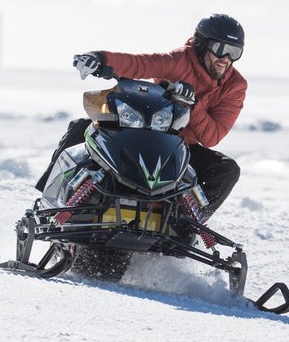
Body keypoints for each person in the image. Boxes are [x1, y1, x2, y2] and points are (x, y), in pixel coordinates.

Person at [35, 13, 248, 219]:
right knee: (82, 129)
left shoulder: (235, 85)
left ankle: (187, 222)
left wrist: (193, 104)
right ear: (202, 45)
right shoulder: (179, 60)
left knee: (227, 170)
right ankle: (46, 203)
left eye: (234, 52)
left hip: (181, 147)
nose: (226, 59)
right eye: (220, 49)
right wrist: (100, 58)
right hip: (146, 133)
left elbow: (212, 136)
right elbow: (139, 64)